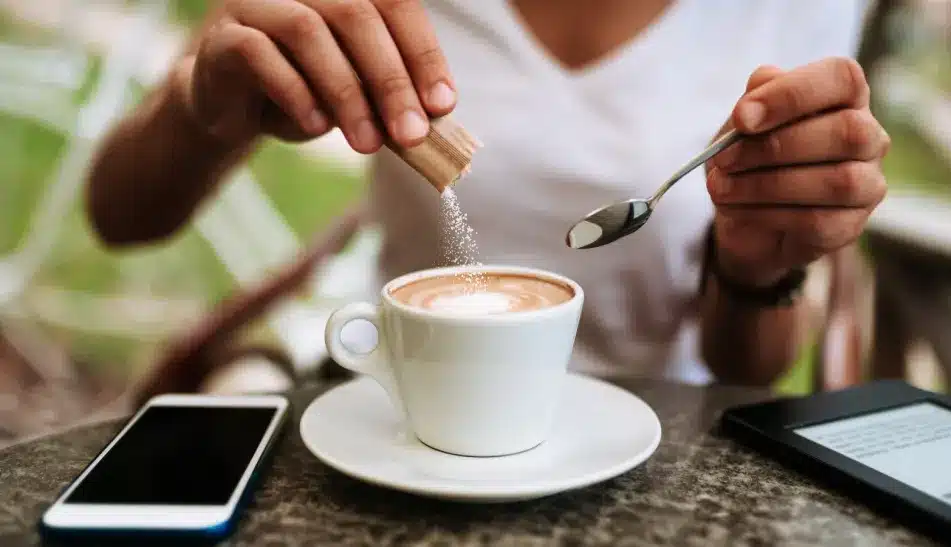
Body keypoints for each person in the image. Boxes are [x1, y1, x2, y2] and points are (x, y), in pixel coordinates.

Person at [85, 0, 889, 386]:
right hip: (392, 413)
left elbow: (748, 366)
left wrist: (758, 267)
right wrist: (204, 113)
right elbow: (118, 214)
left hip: (653, 442)